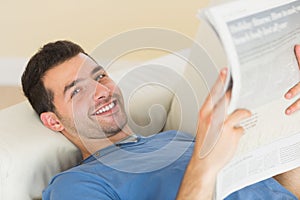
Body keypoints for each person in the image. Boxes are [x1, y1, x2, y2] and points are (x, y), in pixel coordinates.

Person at [21, 40, 300, 199]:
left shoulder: (174, 139)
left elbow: (281, 190)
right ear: (53, 121)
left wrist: (289, 118)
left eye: (100, 76)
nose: (102, 92)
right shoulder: (76, 185)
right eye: (77, 91)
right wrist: (204, 167)